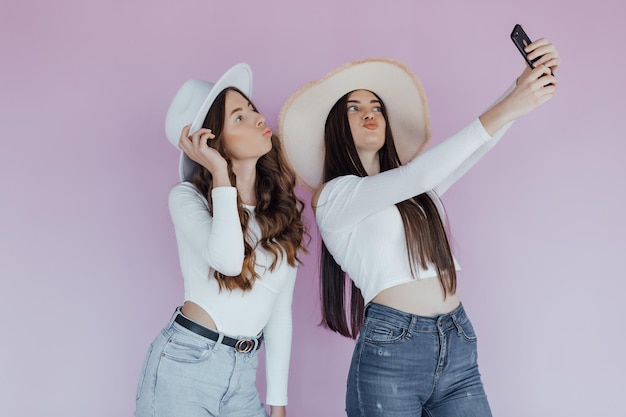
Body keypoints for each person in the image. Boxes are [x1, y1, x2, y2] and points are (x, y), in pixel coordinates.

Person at [278, 38, 559, 416]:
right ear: (335, 127)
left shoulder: (414, 191)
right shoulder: (334, 196)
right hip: (392, 352)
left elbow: (477, 148)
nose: (369, 113)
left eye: (376, 106)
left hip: (456, 340)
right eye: (354, 108)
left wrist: (523, 84)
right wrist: (513, 102)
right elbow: (417, 174)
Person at [135, 63, 306, 417]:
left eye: (253, 110)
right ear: (211, 141)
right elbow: (227, 260)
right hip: (185, 366)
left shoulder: (280, 213)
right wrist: (218, 172)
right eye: (239, 118)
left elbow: (279, 314)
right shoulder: (186, 200)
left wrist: (278, 403)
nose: (259, 118)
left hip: (243, 377)